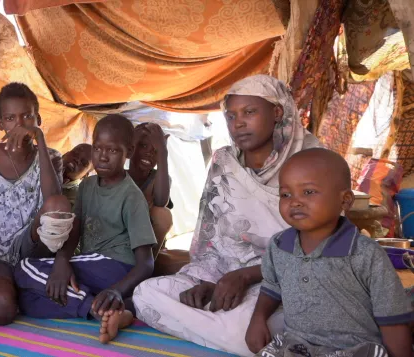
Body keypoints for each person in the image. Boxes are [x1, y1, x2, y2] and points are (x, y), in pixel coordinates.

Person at [132, 75, 321, 356]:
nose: (238, 123)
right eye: (231, 116)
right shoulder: (224, 162)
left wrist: (246, 277)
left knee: (246, 328)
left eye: (249, 112)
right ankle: (245, 334)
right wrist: (208, 281)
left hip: (282, 283)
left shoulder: (314, 162)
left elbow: (321, 249)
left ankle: (234, 331)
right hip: (221, 275)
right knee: (145, 294)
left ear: (277, 111)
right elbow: (212, 238)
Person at [246, 148, 413, 357]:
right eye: (285, 194)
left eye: (308, 192)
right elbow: (271, 288)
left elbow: (393, 320)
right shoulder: (279, 246)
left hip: (355, 349)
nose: (294, 201)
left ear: (344, 201)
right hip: (297, 347)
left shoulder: (366, 254)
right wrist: (258, 319)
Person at [14, 114, 156, 344]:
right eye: (98, 148)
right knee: (27, 301)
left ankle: (97, 304)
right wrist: (62, 262)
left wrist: (117, 290)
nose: (102, 156)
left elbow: (146, 263)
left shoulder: (131, 196)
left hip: (116, 266)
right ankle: (113, 311)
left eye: (112, 150)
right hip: (92, 263)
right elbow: (75, 230)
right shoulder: (87, 185)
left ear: (128, 152)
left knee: (23, 268)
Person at [0, 82, 67, 326]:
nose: (19, 125)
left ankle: (27, 280)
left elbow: (54, 202)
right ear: (1, 124)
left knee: (58, 202)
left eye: (27, 116)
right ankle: (14, 287)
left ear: (38, 119)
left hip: (34, 248)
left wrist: (40, 140)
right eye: (10, 118)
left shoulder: (51, 157)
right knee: (1, 309)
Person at [127, 123, 173, 258]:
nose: (149, 153)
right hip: (118, 241)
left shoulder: (158, 178)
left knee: (162, 213)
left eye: (156, 150)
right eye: (143, 146)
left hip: (146, 247)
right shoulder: (118, 176)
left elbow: (160, 201)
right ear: (130, 147)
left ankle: (146, 263)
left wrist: (163, 152)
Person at [62, 143, 93, 210]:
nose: (77, 160)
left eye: (84, 163)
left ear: (84, 176)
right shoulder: (42, 163)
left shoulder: (77, 198)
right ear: (65, 154)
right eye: (75, 153)